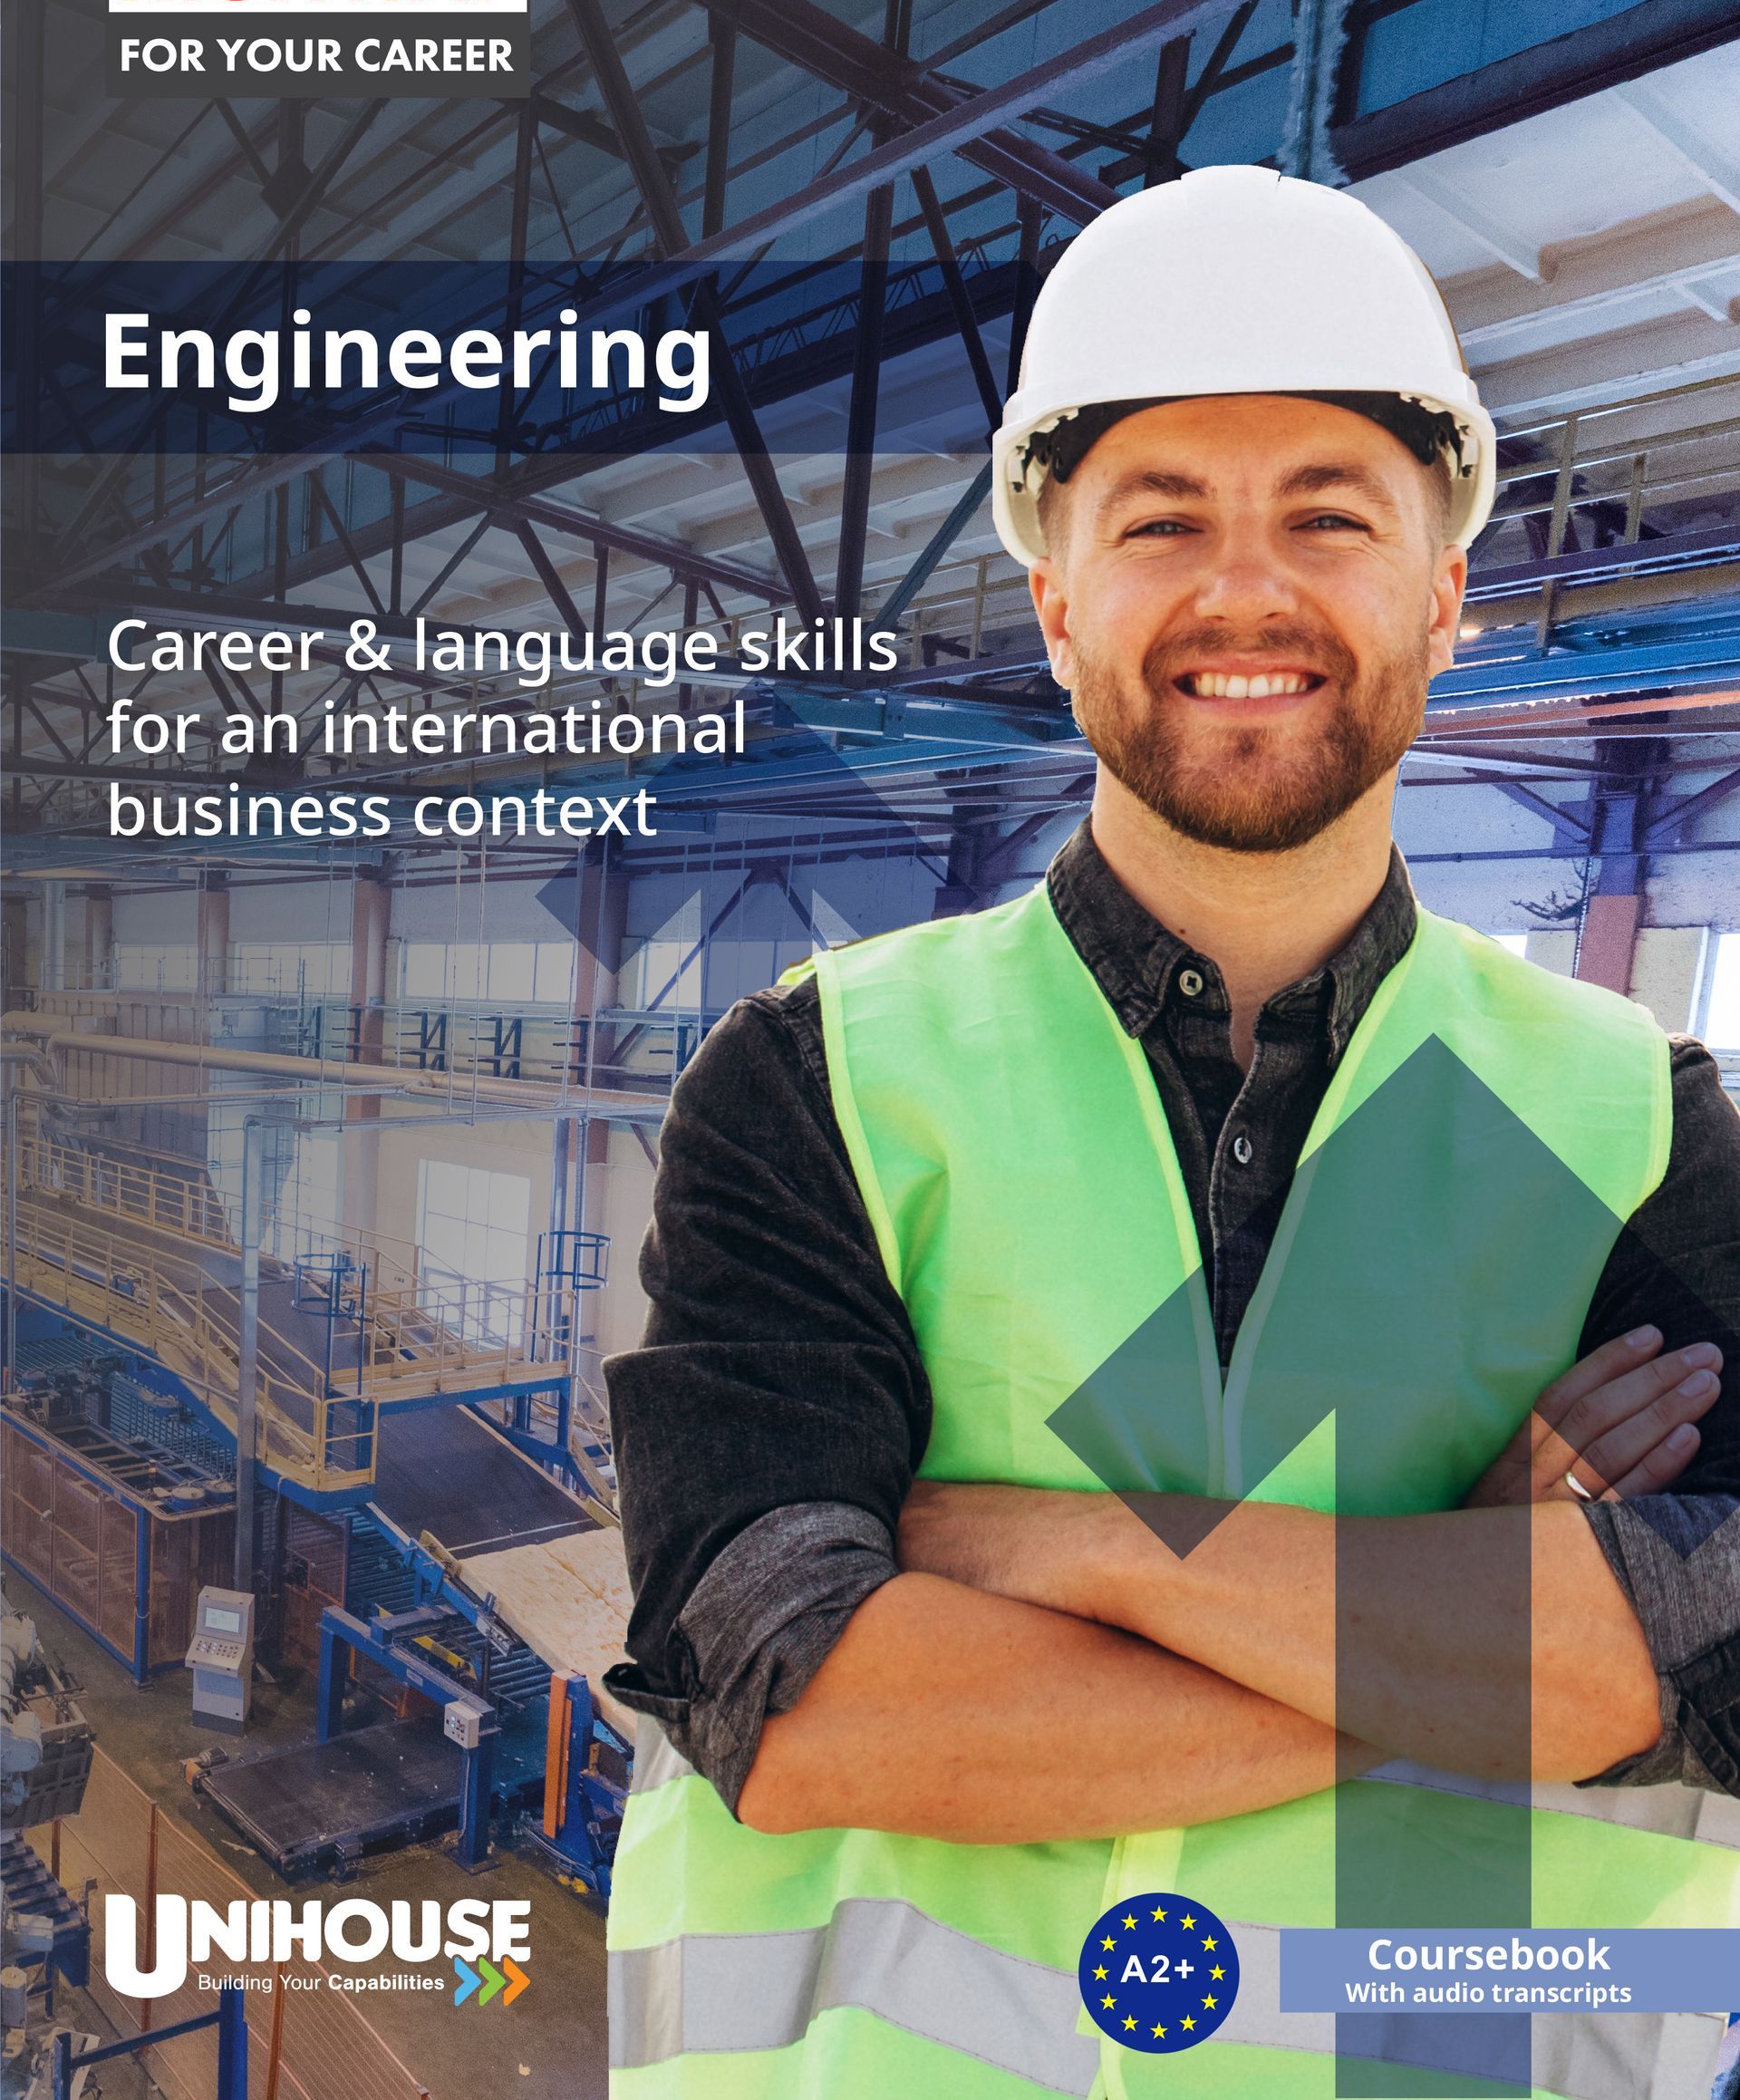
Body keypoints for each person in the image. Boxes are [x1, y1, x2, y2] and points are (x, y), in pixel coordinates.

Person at [602, 168, 1740, 2100]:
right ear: (1056, 602)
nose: (1246, 590)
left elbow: (1705, 1659)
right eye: (1162, 523)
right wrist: (1444, 1607)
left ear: (1443, 590)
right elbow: (794, 1693)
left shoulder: (1633, 1122)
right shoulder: (822, 1085)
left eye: (1327, 515)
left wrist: (1082, 1554)